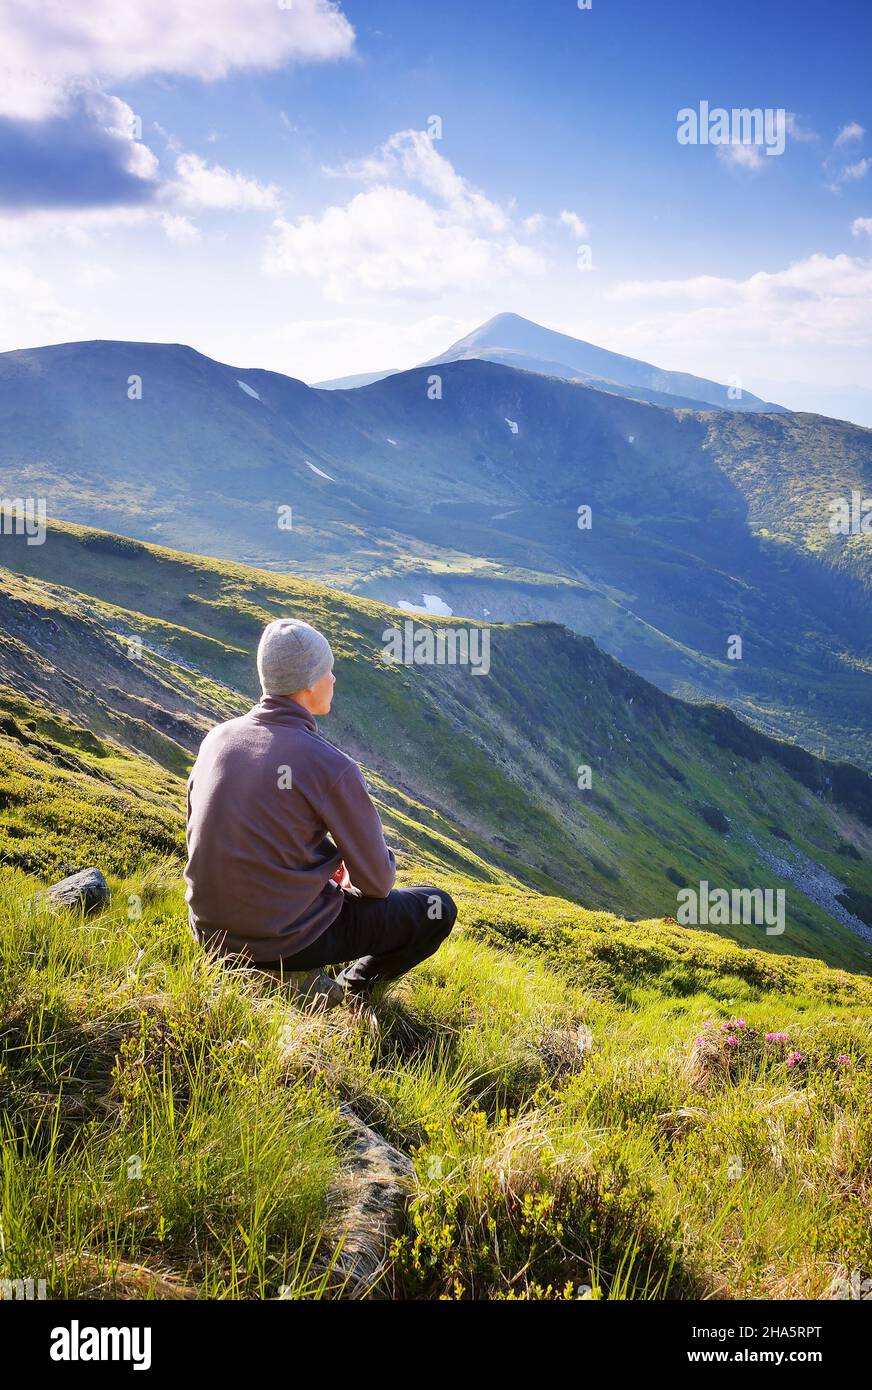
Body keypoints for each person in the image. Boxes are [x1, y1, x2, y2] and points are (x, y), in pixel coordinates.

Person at [184, 617, 457, 998]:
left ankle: (302, 968)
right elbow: (377, 884)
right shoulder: (330, 765)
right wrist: (349, 871)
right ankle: (351, 990)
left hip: (210, 931)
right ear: (310, 683)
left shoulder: (217, 739)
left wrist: (319, 871)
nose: (333, 680)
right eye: (328, 671)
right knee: (436, 907)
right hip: (281, 940)